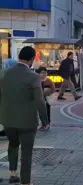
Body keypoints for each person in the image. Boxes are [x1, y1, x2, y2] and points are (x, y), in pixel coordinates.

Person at [0, 46, 49, 185]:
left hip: (8, 119)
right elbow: (40, 101)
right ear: (32, 59)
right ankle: (25, 182)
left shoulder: (4, 73)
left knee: (13, 144)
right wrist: (45, 121)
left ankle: (12, 173)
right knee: (26, 153)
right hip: (27, 121)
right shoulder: (33, 76)